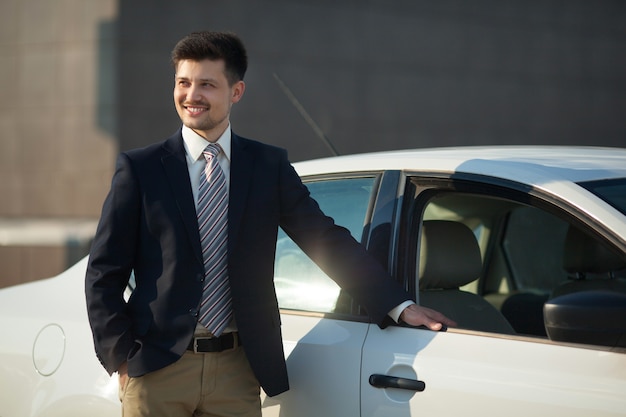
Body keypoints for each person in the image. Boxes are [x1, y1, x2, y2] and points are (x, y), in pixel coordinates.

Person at [85, 30, 455, 417]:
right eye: (183, 82)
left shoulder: (267, 166)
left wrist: (397, 304)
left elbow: (324, 238)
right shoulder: (141, 169)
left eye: (207, 85)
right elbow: (104, 271)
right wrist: (122, 359)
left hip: (238, 370)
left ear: (236, 91)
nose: (191, 95)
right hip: (158, 368)